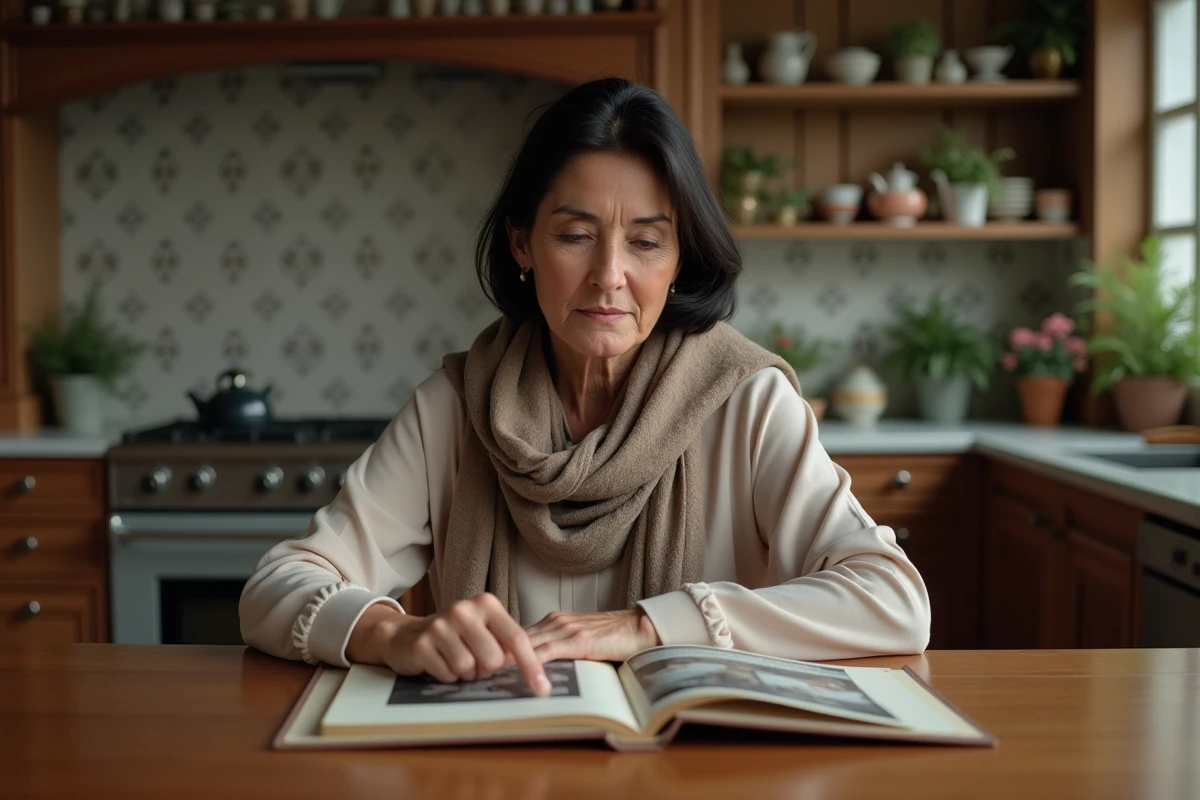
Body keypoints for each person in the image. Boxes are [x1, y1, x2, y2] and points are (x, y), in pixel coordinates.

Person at [239, 77, 930, 697]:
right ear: (521, 245)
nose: (608, 275)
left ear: (679, 256)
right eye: (575, 235)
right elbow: (274, 586)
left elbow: (893, 600)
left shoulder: (746, 403)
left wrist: (648, 626)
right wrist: (390, 633)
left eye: (646, 242)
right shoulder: (456, 407)